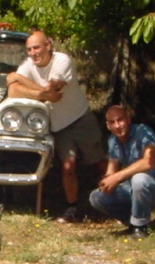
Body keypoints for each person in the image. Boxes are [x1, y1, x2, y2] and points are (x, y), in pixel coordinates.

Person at [6, 30, 106, 223]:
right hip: (59, 126)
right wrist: (42, 96)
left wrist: (26, 83)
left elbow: (53, 88)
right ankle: (73, 208)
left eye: (37, 47)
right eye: (29, 49)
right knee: (68, 167)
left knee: (99, 162)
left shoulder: (62, 61)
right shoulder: (28, 65)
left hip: (80, 118)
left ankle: (117, 200)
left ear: (48, 45)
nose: (33, 53)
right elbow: (12, 89)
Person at [89, 104, 155, 238]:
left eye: (120, 120)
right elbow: (111, 170)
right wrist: (106, 180)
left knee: (139, 179)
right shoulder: (113, 140)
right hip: (134, 189)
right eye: (112, 122)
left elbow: (148, 162)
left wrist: (117, 177)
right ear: (108, 125)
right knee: (97, 197)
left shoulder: (142, 131)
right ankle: (133, 222)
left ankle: (140, 227)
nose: (117, 125)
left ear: (128, 119)